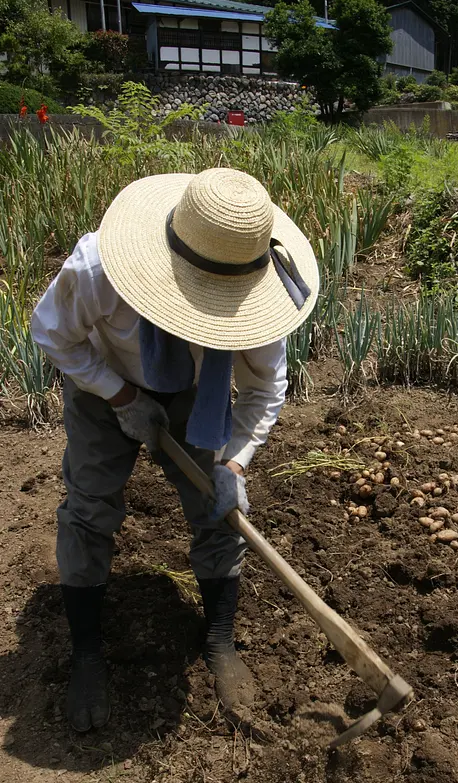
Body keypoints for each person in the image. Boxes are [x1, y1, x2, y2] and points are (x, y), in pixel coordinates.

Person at [31, 167, 319, 733]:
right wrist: (119, 395)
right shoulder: (98, 270)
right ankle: (87, 654)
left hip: (195, 393)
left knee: (219, 509)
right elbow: (51, 334)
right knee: (89, 508)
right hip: (101, 380)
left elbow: (264, 388)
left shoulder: (258, 292)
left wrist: (235, 461)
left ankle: (218, 638)